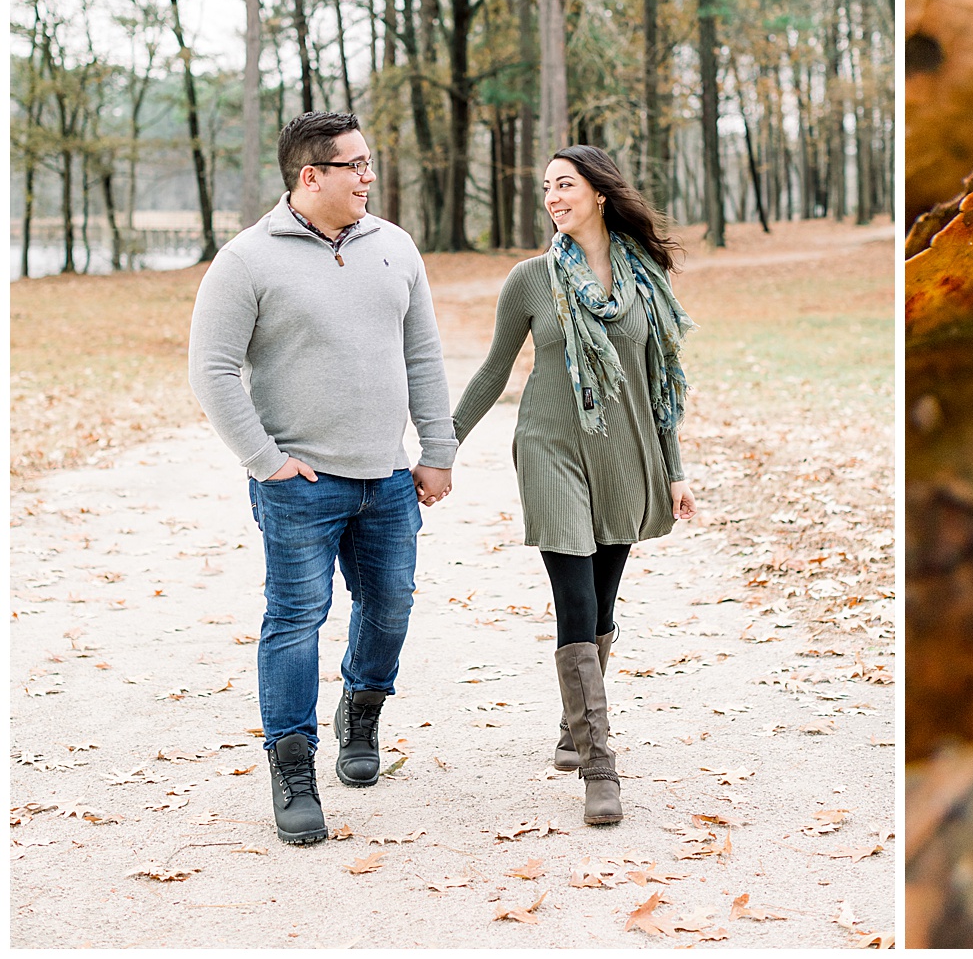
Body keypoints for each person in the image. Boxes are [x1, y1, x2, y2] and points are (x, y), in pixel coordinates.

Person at [188, 111, 456, 846]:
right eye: (357, 165)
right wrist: (265, 461)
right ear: (312, 177)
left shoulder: (395, 247)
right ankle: (293, 764)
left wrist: (438, 448)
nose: (370, 176)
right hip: (300, 487)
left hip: (388, 479)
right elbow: (210, 370)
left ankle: (361, 715)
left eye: (370, 163)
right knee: (294, 622)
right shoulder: (246, 261)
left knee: (391, 607)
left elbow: (424, 356)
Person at [452, 145, 695, 826]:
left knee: (602, 611)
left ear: (599, 193)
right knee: (574, 600)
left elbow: (659, 387)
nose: (553, 197)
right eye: (547, 187)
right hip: (550, 447)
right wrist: (442, 446)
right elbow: (495, 370)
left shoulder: (646, 279)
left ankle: (573, 725)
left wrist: (674, 469)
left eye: (565, 185)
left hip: (625, 455)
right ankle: (600, 766)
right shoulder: (531, 280)